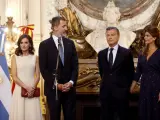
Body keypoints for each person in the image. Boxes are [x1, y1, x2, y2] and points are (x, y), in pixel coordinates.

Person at [39, 16, 78, 120]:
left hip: (69, 90)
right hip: (53, 90)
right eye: (63, 26)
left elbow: (75, 66)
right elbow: (44, 69)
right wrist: (57, 85)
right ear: (55, 27)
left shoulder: (70, 43)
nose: (66, 28)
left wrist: (71, 82)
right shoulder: (44, 45)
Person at [98, 27, 135, 120]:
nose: (110, 37)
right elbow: (102, 72)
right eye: (108, 35)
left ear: (118, 36)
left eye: (112, 35)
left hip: (121, 94)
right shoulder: (101, 54)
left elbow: (130, 72)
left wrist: (125, 89)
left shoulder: (126, 53)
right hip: (105, 94)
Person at [130, 26, 160, 120]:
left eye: (147, 36)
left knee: (156, 112)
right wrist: (132, 85)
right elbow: (138, 71)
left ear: (154, 38)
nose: (145, 38)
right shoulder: (142, 53)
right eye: (144, 36)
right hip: (145, 85)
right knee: (144, 112)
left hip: (157, 85)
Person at [9, 34, 42, 120]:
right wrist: (26, 87)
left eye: (26, 42)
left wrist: (32, 88)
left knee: (32, 115)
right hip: (19, 90)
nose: (23, 45)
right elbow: (14, 76)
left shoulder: (35, 58)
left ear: (30, 44)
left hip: (32, 90)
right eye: (21, 43)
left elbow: (38, 76)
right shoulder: (15, 58)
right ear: (19, 44)